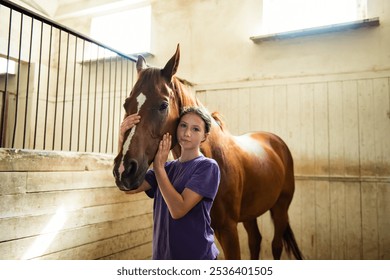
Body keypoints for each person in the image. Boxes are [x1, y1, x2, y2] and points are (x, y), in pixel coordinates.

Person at [119, 106, 221, 260]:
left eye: (195, 129)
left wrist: (159, 167)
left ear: (204, 137)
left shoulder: (207, 166)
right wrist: (122, 139)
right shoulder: (167, 168)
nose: (187, 133)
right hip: (163, 257)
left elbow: (178, 210)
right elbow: (128, 187)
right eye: (183, 125)